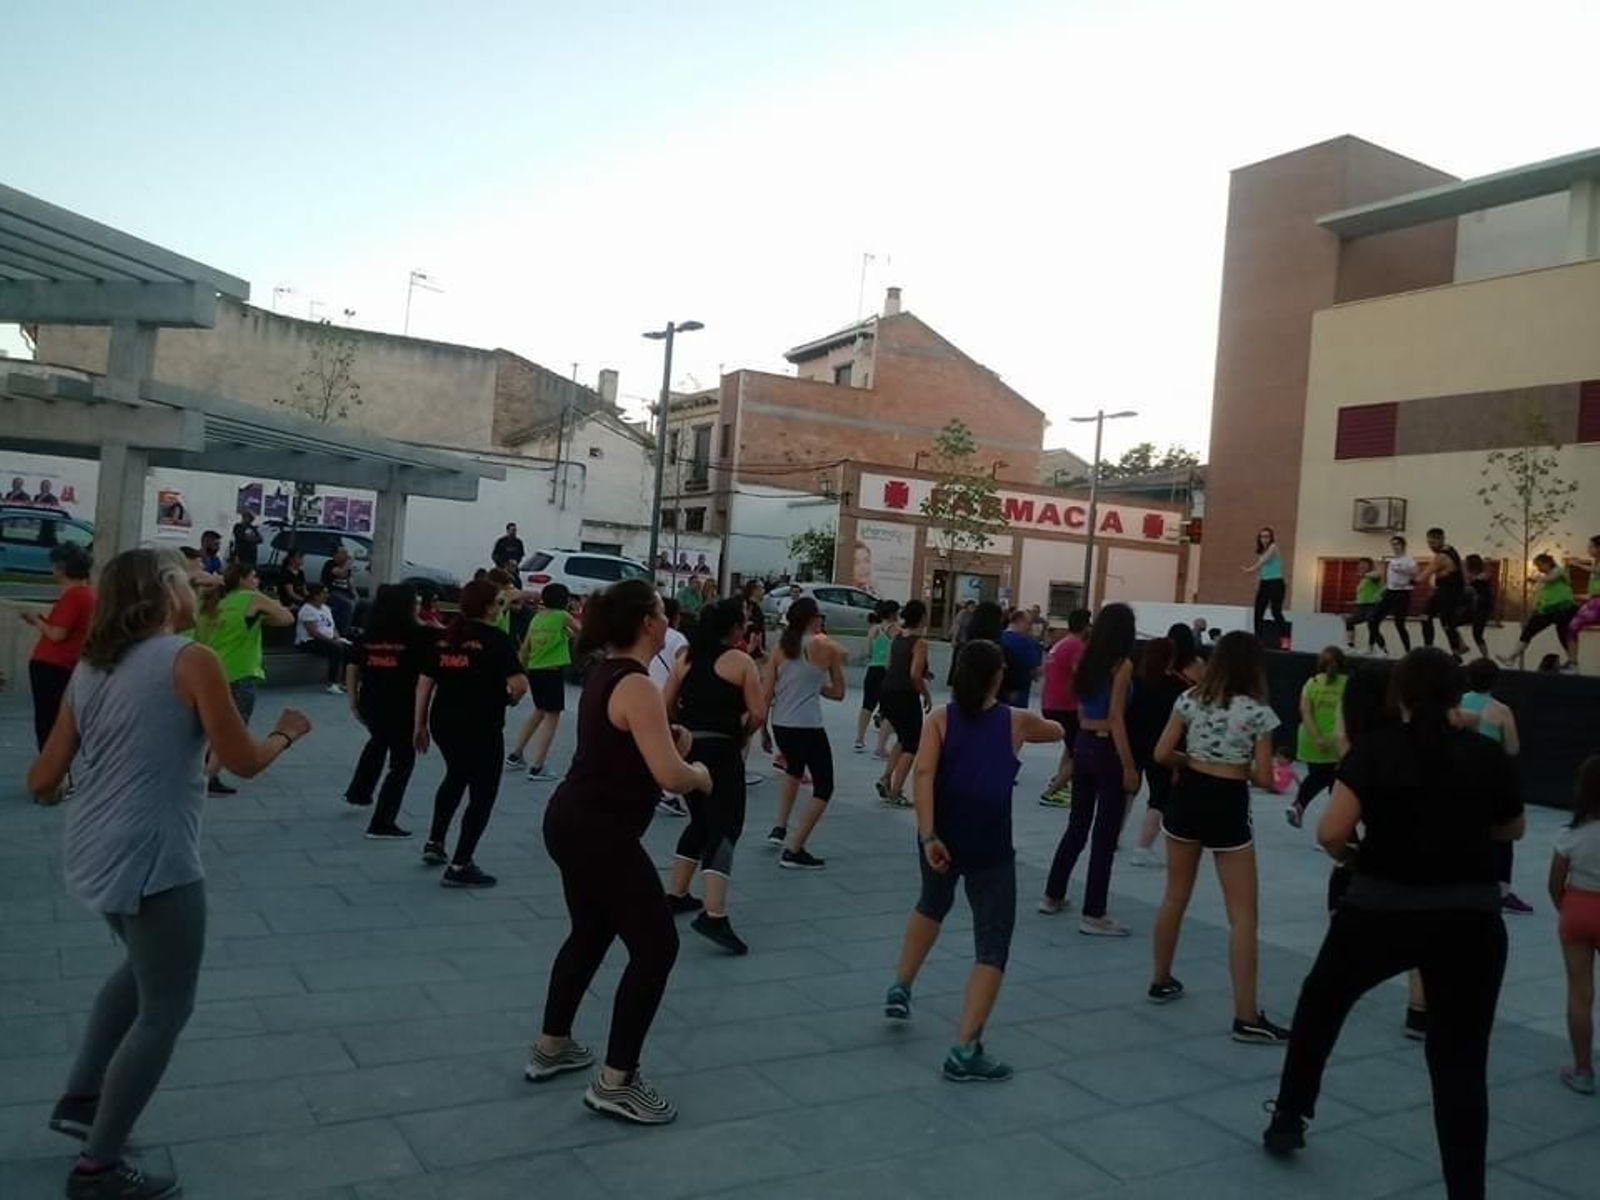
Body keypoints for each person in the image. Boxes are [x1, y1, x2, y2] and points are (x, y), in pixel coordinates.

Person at [27, 548, 310, 1200]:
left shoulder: (94, 667)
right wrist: (289, 733)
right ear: (162, 591)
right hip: (156, 859)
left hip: (95, 847)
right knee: (166, 1008)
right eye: (187, 576)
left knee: (137, 972)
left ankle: (81, 1100)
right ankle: (96, 1170)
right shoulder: (191, 660)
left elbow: (42, 778)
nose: (198, 583)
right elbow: (240, 761)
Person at [1264, 649, 1525, 1199]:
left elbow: (1332, 832)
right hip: (1471, 921)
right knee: (1459, 1064)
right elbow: (1513, 830)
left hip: (1381, 908)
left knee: (1321, 1005)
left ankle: (1290, 1113)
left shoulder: (1376, 751)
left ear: (1400, 695)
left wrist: (1361, 858)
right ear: (1457, 694)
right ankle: (1466, 1188)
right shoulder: (1486, 755)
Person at [530, 580, 711, 1124]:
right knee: (656, 948)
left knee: (590, 932)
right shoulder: (634, 683)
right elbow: (670, 776)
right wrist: (699, 774)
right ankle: (617, 1081)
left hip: (574, 821)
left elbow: (635, 750)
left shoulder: (607, 674)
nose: (665, 617)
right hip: (598, 832)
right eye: (659, 610)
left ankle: (552, 1045)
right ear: (647, 623)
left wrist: (671, 744)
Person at [884, 639, 1064, 1082]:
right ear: (998, 677)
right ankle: (965, 1049)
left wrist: (928, 835)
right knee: (993, 941)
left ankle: (901, 985)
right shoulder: (1015, 722)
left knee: (932, 902)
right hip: (990, 845)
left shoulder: (939, 719)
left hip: (941, 835)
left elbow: (923, 775)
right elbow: (1056, 730)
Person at [1149, 630, 1290, 1042]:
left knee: (1175, 894)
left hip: (1187, 796)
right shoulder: (1259, 711)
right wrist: (1236, 766)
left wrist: (1194, 760)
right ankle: (1246, 1015)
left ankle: (1161, 978)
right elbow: (1265, 778)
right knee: (1243, 914)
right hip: (1228, 804)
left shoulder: (1189, 698)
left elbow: (1160, 753)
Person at [663, 598, 766, 954]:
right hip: (722, 752)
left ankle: (676, 894)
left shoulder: (685, 659)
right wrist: (742, 733)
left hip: (690, 749)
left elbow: (666, 704)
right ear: (734, 629)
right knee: (725, 828)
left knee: (700, 822)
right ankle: (714, 913)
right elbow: (758, 712)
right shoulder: (740, 661)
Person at [414, 580, 529, 888]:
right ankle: (461, 863)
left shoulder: (445, 637)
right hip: (481, 724)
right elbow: (519, 685)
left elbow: (425, 682)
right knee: (483, 792)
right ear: (490, 606)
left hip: (443, 722)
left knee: (455, 775)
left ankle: (435, 842)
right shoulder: (497, 640)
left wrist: (419, 725)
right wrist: (509, 699)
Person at [1039, 602, 1138, 935]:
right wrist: (1129, 765)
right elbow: (1116, 718)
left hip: (1083, 742)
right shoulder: (1121, 666)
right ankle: (1094, 913)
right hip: (1107, 746)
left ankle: (1053, 893)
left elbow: (1082, 709)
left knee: (1077, 825)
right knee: (1105, 833)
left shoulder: (1086, 661)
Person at [194, 563, 295, 797]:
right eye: (254, 575)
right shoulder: (251, 598)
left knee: (208, 726)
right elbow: (286, 618)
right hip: (239, 672)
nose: (257, 580)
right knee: (232, 728)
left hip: (210, 670)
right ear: (242, 579)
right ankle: (207, 779)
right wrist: (268, 612)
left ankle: (201, 772)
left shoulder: (212, 600)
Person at [767, 597, 848, 869]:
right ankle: (795, 848)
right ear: (814, 619)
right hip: (808, 725)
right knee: (824, 786)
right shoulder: (825, 647)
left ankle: (779, 828)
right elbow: (839, 693)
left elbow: (766, 693)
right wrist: (816, 687)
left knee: (794, 769)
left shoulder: (780, 648)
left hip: (781, 724)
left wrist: (763, 731)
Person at [342, 583, 428, 838]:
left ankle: (359, 791)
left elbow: (352, 666)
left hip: (371, 702)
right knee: (401, 764)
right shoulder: (416, 634)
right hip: (402, 706)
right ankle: (382, 822)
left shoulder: (369, 633)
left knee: (378, 741)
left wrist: (353, 699)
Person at [1458, 657, 1532, 915]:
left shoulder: (1457, 704)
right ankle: (1501, 891)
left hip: (1458, 776)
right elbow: (1512, 748)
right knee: (1502, 834)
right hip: (1489, 778)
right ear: (1495, 680)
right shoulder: (1500, 710)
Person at [22, 545, 95, 787]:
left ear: (63, 568)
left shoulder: (73, 596)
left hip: (51, 663)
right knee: (58, 720)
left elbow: (56, 635)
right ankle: (60, 775)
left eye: (55, 564)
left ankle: (55, 778)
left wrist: (36, 620)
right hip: (68, 664)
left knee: (46, 723)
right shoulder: (90, 595)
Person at [1550, 755, 1600, 1095]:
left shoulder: (1571, 835)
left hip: (1579, 907)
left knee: (1580, 993)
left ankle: (1582, 1071)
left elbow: (1555, 883)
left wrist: (1564, 907)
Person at [507, 583, 581, 781]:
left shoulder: (537, 618)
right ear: (564, 601)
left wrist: (519, 671)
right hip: (553, 672)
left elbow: (525, 648)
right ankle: (538, 766)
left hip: (535, 671)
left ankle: (516, 754)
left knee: (539, 712)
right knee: (552, 717)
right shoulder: (562, 616)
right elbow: (582, 632)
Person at [1126, 637, 1188, 867]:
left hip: (1133, 742)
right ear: (1170, 658)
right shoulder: (1179, 687)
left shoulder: (1134, 680)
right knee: (1159, 798)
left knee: (1128, 789)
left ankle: (1112, 837)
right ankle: (1142, 848)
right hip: (1162, 747)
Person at [877, 600, 933, 808]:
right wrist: (926, 694)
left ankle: (886, 777)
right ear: (922, 617)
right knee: (912, 744)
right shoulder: (920, 643)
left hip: (888, 690)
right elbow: (914, 675)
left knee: (902, 737)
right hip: (905, 693)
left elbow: (890, 664)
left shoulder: (898, 638)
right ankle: (896, 791)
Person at [1286, 647, 1348, 829]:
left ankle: (1299, 805)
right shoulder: (1348, 683)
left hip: (1311, 741)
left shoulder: (1311, 683)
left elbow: (1305, 713)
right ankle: (1339, 832)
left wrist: (1316, 738)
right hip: (1337, 741)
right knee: (1336, 784)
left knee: (1322, 778)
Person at [1039, 608, 1090, 807]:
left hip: (1051, 702)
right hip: (1066, 705)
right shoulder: (1077, 646)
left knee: (1071, 748)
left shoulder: (1059, 644)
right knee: (1080, 752)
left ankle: (1059, 782)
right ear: (1086, 626)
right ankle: (1051, 793)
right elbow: (1080, 675)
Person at [1503, 553, 1579, 670]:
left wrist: (1536, 579)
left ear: (1547, 563)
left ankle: (1572, 662)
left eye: (1539, 565)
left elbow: (1551, 578)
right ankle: (1511, 657)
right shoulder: (1543, 581)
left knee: (1563, 634)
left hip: (1564, 608)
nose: (1538, 569)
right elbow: (1541, 597)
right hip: (1546, 610)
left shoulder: (1560, 570)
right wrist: (1534, 610)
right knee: (1528, 631)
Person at [1417, 527, 1467, 657]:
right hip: (1447, 591)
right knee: (1434, 619)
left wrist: (1409, 580)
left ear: (1441, 540)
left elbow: (1424, 575)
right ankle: (1458, 648)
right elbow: (1461, 569)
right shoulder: (1451, 549)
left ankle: (1431, 650)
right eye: (1428, 542)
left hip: (1449, 593)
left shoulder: (1441, 556)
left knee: (1442, 621)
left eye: (1432, 543)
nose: (1430, 546)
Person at [856, 603, 898, 752]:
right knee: (889, 708)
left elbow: (867, 651)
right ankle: (881, 746)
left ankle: (859, 739)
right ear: (893, 613)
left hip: (873, 669)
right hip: (888, 671)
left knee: (867, 705)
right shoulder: (894, 629)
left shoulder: (873, 629)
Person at [295, 583, 350, 692]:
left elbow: (332, 627)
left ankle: (345, 682)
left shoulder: (326, 608)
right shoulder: (306, 609)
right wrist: (332, 642)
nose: (327, 595)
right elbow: (313, 633)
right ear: (315, 595)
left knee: (350, 648)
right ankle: (332, 683)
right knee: (336, 649)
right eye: (324, 593)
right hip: (309, 641)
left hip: (327, 639)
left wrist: (338, 638)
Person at [1369, 535, 1417, 654]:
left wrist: (1403, 570)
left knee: (1399, 624)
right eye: (1393, 544)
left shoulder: (1409, 560)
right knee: (1373, 620)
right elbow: (1389, 581)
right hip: (1390, 593)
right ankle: (1379, 648)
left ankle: (1408, 652)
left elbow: (1415, 574)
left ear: (1403, 545)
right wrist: (1380, 592)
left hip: (1402, 594)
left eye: (1397, 544)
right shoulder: (1392, 561)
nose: (1395, 547)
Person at [1244, 526, 1286, 644]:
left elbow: (1263, 561)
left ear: (1271, 538)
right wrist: (1258, 580)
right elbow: (1264, 569)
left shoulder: (1273, 547)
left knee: (1276, 612)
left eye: (1267, 536)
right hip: (1265, 583)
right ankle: (1258, 640)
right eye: (1262, 536)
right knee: (1258, 611)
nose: (1265, 539)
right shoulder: (1261, 551)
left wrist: (1250, 569)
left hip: (1276, 583)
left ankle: (1285, 640)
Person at [999, 608, 1044, 708]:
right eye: (1029, 623)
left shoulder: (997, 637)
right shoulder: (1027, 643)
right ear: (1019, 621)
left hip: (997, 694)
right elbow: (1035, 674)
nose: (1030, 627)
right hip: (1018, 697)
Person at [1565, 535, 1600, 645]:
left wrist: (1577, 564)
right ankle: (1573, 659)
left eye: (1591, 547)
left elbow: (1596, 571)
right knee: (1571, 628)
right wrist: (1574, 596)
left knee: (1572, 626)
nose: (1588, 550)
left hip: (1596, 604)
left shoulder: (1596, 567)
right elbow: (1592, 595)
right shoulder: (1596, 563)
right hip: (1594, 602)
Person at [1345, 558, 1383, 651]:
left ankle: (1378, 648)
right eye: (1360, 564)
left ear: (1369, 566)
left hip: (1372, 606)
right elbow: (1363, 596)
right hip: (1361, 607)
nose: (1361, 566)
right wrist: (1353, 602)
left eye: (1364, 564)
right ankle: (1350, 645)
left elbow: (1377, 574)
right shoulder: (1362, 581)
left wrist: (1364, 574)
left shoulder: (1373, 577)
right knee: (1349, 622)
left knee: (1372, 626)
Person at [1463, 555, 1495, 659]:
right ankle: (1462, 646)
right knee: (1450, 623)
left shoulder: (1483, 575)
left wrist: (1487, 563)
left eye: (1467, 563)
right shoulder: (1471, 575)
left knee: (1477, 634)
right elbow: (1467, 581)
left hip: (1483, 606)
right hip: (1474, 606)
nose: (1465, 564)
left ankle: (1486, 657)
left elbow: (1485, 576)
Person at [320, 544, 358, 634]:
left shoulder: (346, 567)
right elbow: (340, 573)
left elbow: (350, 583)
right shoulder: (329, 564)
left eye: (346, 553)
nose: (346, 555)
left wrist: (356, 595)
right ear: (336, 554)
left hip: (346, 594)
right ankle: (344, 633)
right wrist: (351, 560)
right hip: (332, 593)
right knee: (348, 605)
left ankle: (357, 629)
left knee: (365, 604)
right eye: (343, 553)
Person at [739, 580, 768, 660]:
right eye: (762, 588)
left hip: (755, 651)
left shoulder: (757, 608)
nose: (764, 591)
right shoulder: (745, 606)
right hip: (744, 650)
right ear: (755, 590)